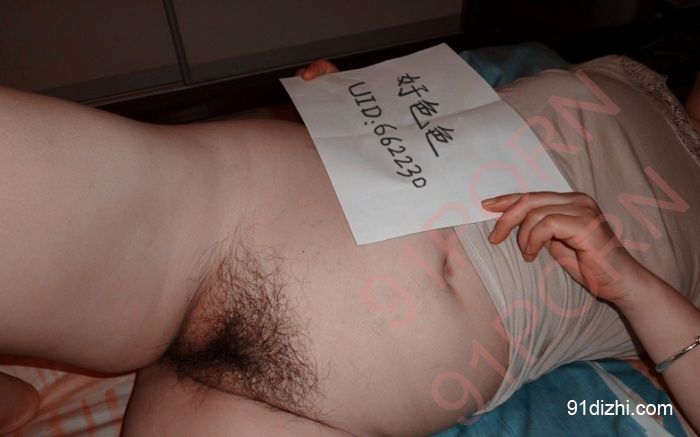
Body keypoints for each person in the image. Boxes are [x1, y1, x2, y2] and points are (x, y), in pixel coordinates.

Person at [0, 52, 698, 436]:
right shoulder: (622, 68)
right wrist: (354, 104)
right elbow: (469, 116)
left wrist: (632, 283)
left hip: (336, 393)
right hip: (245, 200)